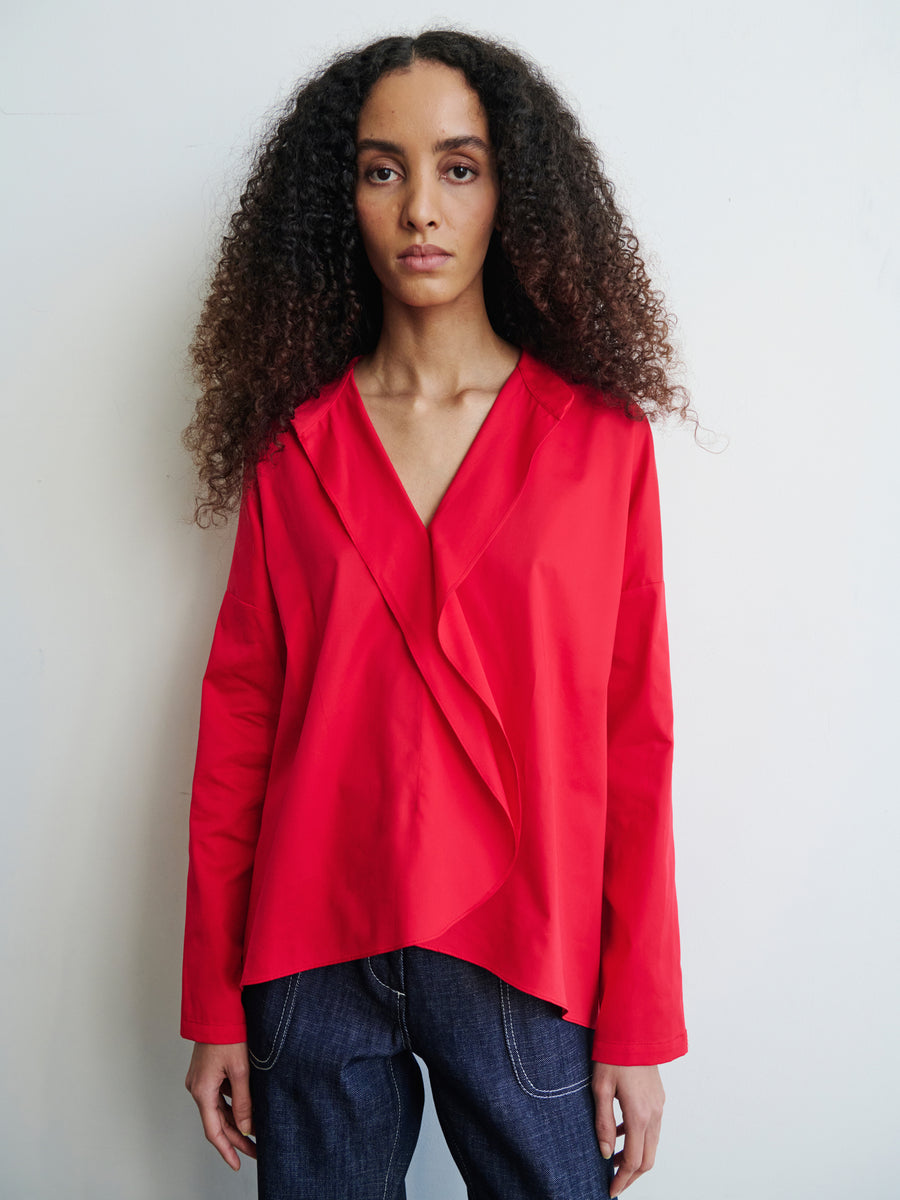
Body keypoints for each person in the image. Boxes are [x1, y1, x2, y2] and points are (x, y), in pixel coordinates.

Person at [181, 29, 690, 1200]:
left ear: (513, 191)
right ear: (337, 198)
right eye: (382, 169)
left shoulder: (600, 443)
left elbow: (635, 737)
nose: (421, 208)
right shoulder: (293, 445)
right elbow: (241, 725)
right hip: (313, 961)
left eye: (459, 167)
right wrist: (214, 998)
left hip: (526, 957)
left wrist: (638, 1021)